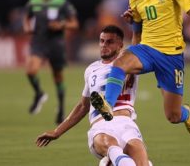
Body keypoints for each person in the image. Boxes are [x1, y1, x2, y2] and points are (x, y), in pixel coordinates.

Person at [90, 0, 190, 137]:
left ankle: (186, 114)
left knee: (173, 115)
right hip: (147, 49)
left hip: (171, 56)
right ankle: (108, 105)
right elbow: (137, 32)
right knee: (119, 63)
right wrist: (131, 59)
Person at [36, 25, 152, 166]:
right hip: (102, 124)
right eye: (102, 41)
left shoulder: (128, 62)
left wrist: (135, 22)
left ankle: (112, 162)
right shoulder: (91, 69)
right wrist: (57, 132)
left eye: (110, 42)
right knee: (111, 147)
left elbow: (137, 42)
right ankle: (117, 160)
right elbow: (83, 106)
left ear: (120, 45)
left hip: (127, 123)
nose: (104, 45)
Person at [23, 0, 79, 124]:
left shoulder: (62, 2)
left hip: (56, 44)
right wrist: (27, 27)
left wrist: (61, 24)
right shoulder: (34, 2)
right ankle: (39, 94)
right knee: (30, 70)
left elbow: (74, 23)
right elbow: (27, 17)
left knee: (58, 76)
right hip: (39, 42)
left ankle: (61, 109)